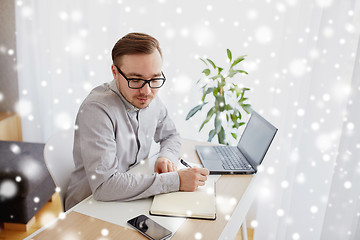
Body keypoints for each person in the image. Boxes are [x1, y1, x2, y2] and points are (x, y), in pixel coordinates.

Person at [65, 32, 209, 210]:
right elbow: (105, 187)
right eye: (135, 79)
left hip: (131, 197)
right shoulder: (96, 109)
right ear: (115, 72)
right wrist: (176, 180)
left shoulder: (148, 96)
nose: (147, 91)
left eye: (154, 78)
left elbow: (171, 135)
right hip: (89, 208)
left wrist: (166, 157)